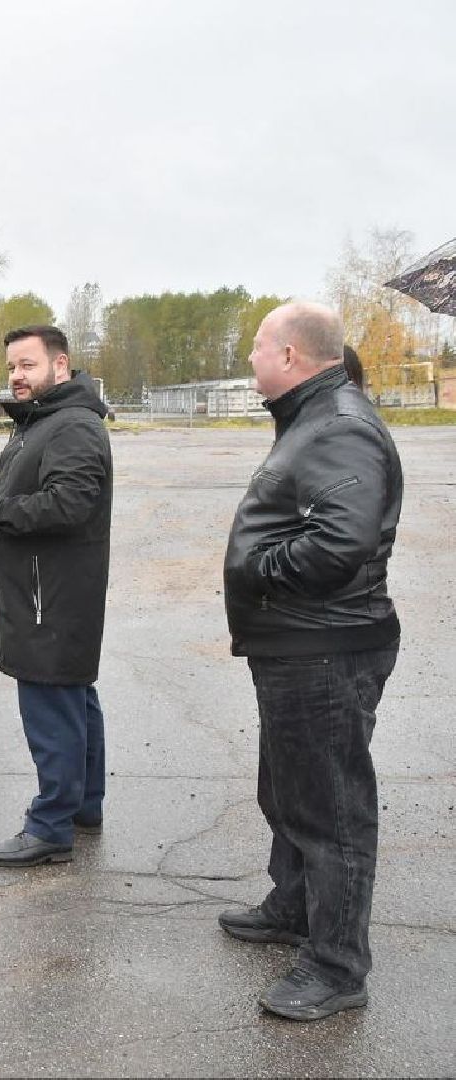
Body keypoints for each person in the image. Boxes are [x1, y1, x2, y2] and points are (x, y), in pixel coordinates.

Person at [219, 302, 402, 1022]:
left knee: (331, 813)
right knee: (288, 792)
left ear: (290, 355)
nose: (251, 360)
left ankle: (335, 965)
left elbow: (338, 544)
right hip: (298, 644)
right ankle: (291, 906)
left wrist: (257, 568)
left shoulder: (338, 427)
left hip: (325, 646)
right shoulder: (313, 418)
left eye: (258, 347)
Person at [0, 325, 112, 869]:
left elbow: (69, 504)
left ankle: (50, 827)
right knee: (72, 697)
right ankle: (82, 806)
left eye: (27, 366)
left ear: (61, 365)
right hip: (47, 592)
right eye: (10, 369)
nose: (16, 378)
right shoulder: (46, 421)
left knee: (52, 704)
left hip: (50, 599)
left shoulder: (71, 426)